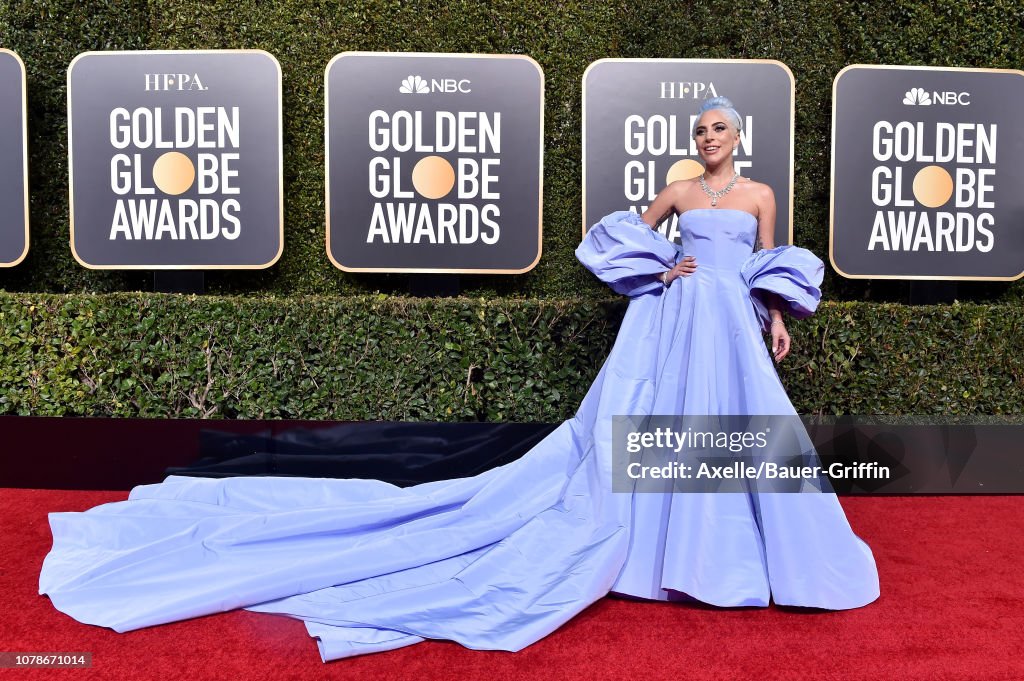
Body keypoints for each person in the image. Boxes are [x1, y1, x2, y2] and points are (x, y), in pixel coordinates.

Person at [39, 97, 878, 663]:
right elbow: (618, 235)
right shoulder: (678, 189)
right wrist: (665, 267)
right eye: (700, 131)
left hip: (732, 328)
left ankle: (735, 558)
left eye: (719, 132)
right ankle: (670, 554)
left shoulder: (764, 194)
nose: (708, 141)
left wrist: (773, 316)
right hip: (680, 323)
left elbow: (771, 262)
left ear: (741, 137)